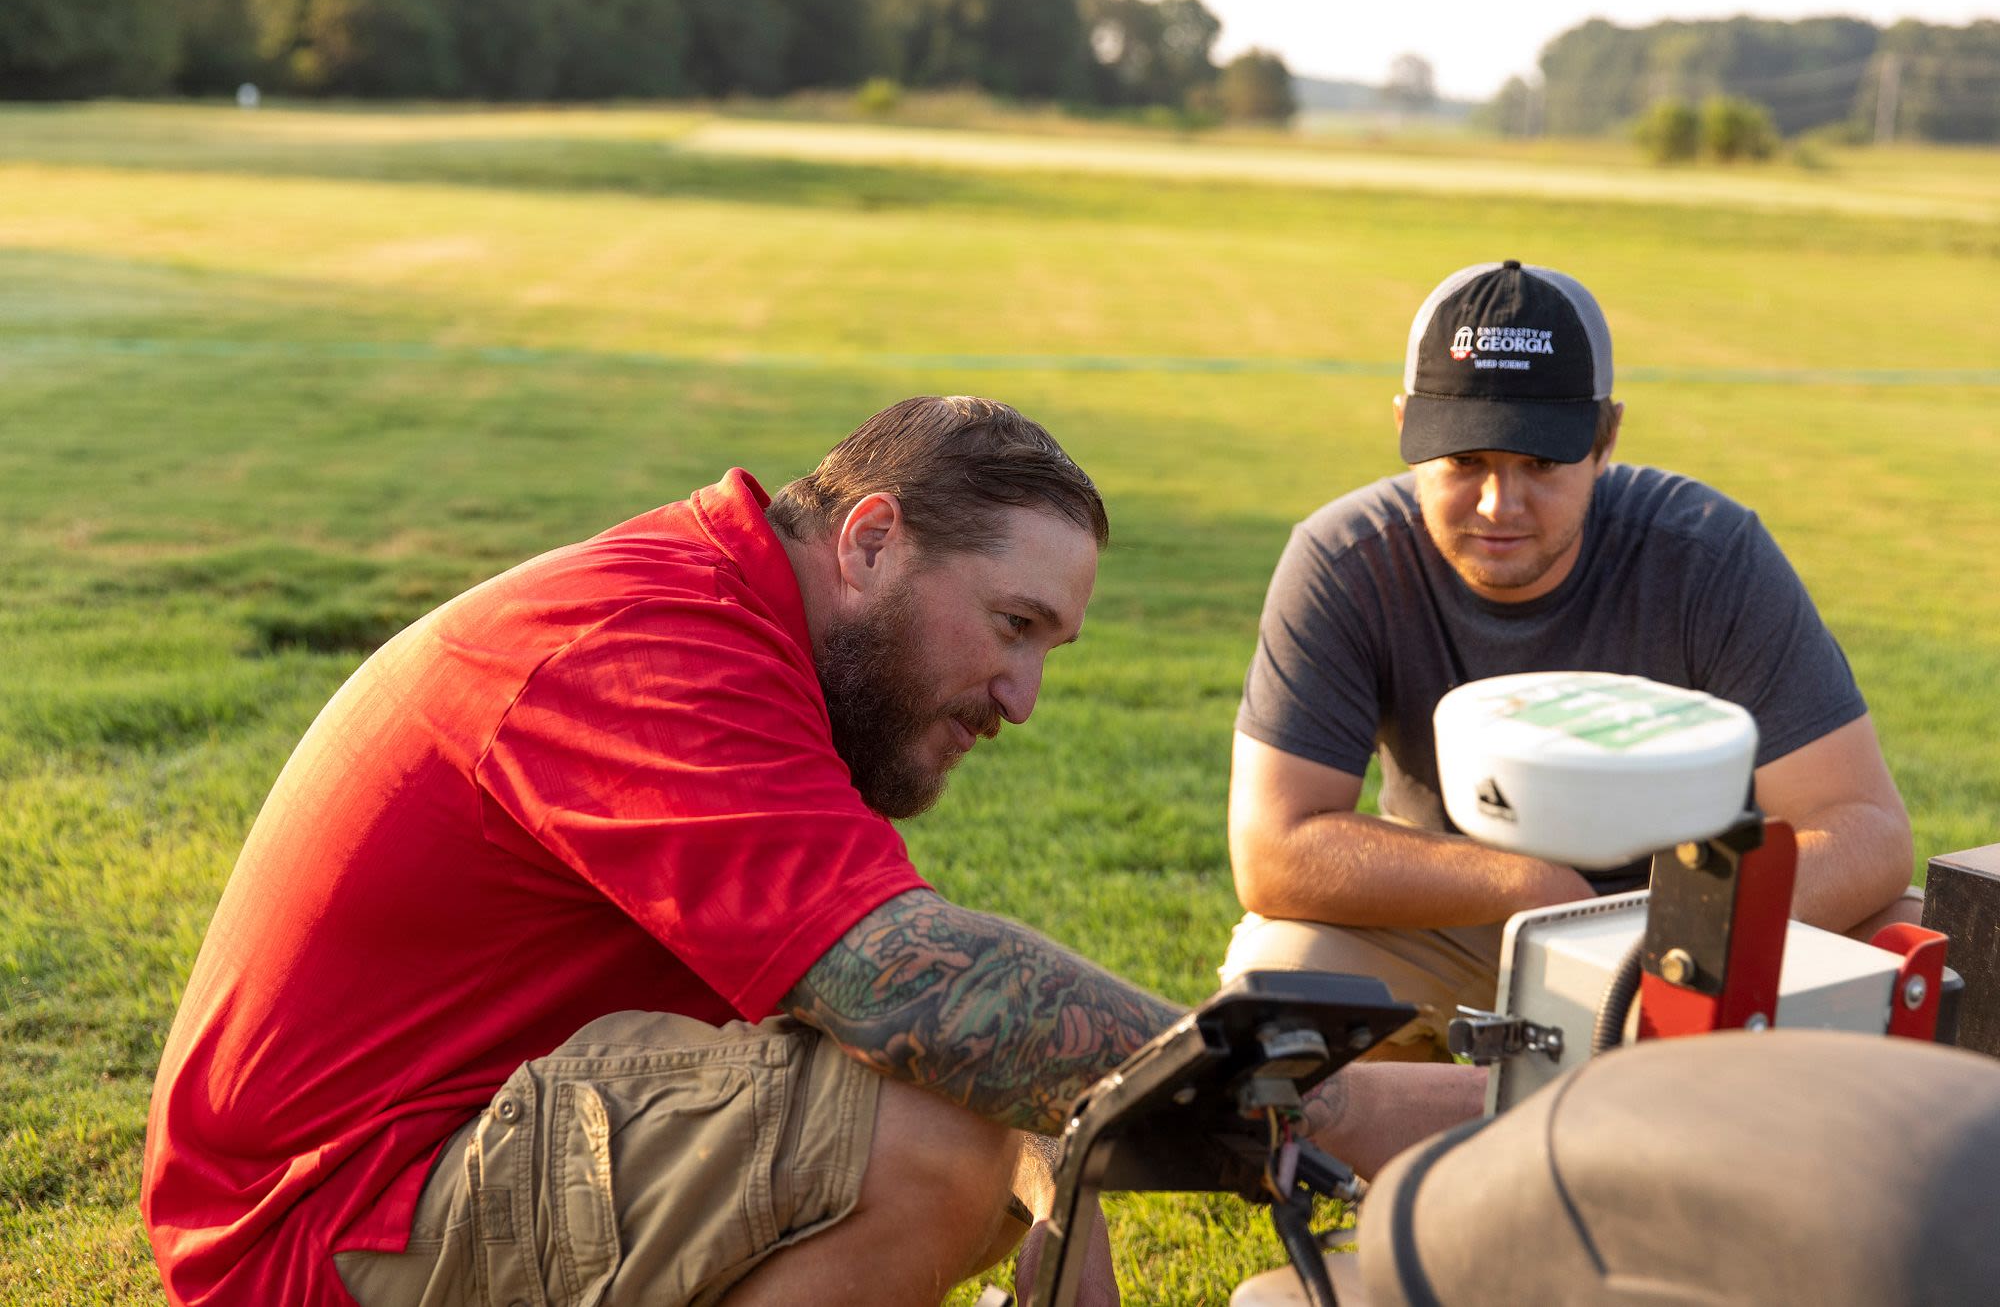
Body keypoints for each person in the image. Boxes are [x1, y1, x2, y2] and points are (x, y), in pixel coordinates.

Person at [143, 396, 1480, 1307]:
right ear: (873, 539)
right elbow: (904, 982)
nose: (1022, 697)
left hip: (447, 1138)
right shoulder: (648, 654)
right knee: (931, 1144)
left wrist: (1062, 1152)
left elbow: (901, 992)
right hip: (324, 1226)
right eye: (1011, 625)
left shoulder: (732, 618)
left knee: (974, 1110)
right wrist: (1332, 1114)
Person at [1222, 262, 1919, 1059]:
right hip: (1465, 914)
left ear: (1606, 436)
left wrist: (1679, 938)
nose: (1498, 504)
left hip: (1700, 915)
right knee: (1283, 979)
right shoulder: (1346, 560)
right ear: (1405, 426)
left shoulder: (1707, 553)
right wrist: (1533, 888)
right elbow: (1275, 847)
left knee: (1927, 939)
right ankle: (1433, 1169)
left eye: (1541, 464)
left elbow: (1863, 826)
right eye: (1463, 461)